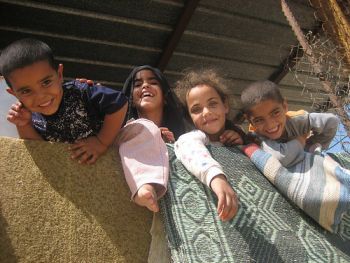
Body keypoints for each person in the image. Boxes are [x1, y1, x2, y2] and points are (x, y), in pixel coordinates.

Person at [1, 38, 128, 165]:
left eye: (46, 82)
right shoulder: (27, 114)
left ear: (60, 74)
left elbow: (119, 102)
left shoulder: (80, 92)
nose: (40, 96)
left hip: (109, 159)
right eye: (26, 91)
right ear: (14, 94)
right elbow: (38, 147)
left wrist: (101, 142)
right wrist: (24, 125)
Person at [174, 69, 242, 221]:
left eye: (212, 104)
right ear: (190, 118)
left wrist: (239, 143)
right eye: (196, 109)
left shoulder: (240, 136)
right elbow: (186, 144)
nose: (206, 112)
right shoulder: (195, 138)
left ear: (225, 106)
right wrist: (216, 178)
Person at [241, 80, 340, 167]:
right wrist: (300, 140)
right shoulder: (256, 137)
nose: (270, 125)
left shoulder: (298, 120)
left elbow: (332, 121)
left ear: (284, 107)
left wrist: (310, 145)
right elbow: (281, 158)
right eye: (259, 120)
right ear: (250, 121)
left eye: (275, 113)